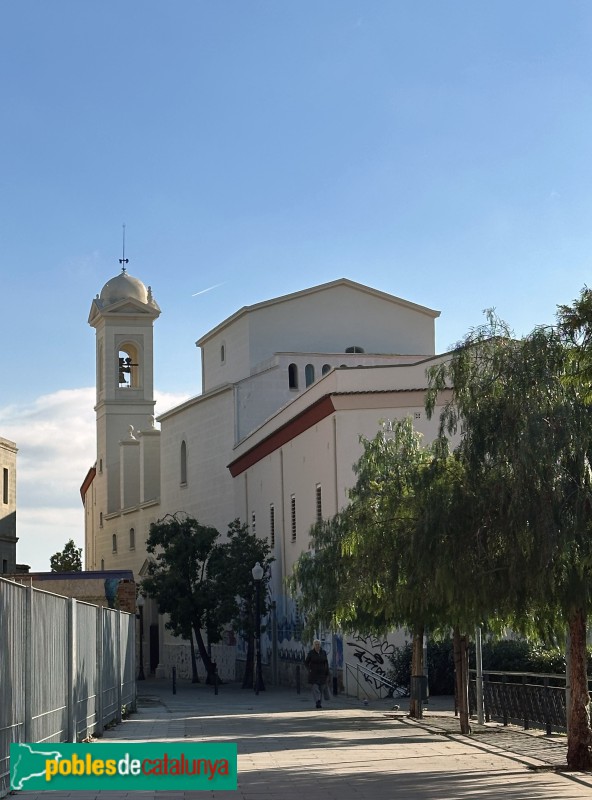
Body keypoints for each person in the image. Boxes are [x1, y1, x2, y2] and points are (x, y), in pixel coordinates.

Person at [305, 639, 329, 709]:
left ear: (320, 645)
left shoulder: (323, 652)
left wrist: (327, 672)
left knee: (321, 688)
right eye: (316, 644)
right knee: (315, 688)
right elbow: (306, 662)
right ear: (314, 645)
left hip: (322, 673)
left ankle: (319, 702)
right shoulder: (311, 653)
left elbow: (326, 663)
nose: (317, 646)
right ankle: (317, 701)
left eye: (318, 644)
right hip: (314, 673)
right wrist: (309, 669)